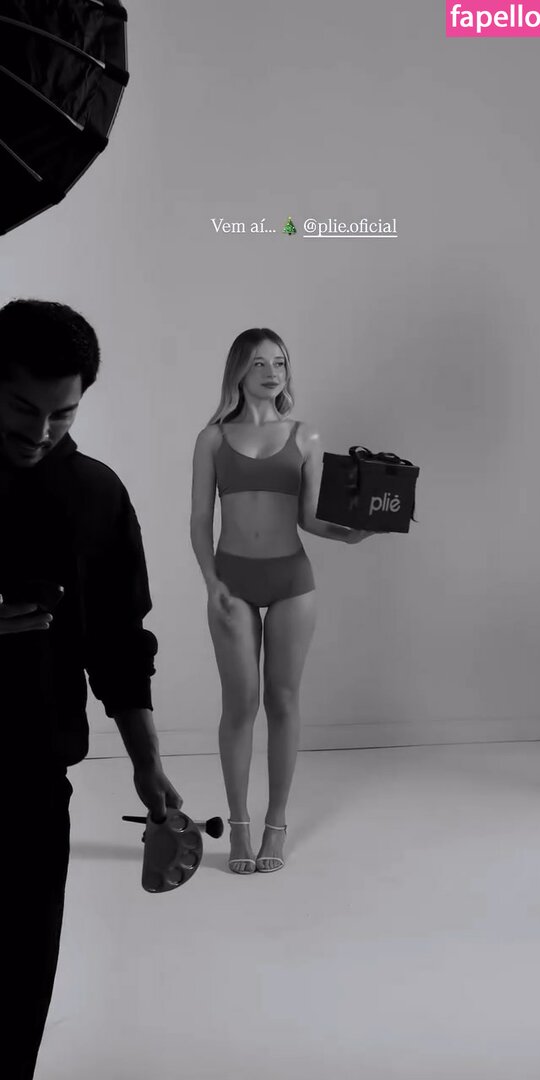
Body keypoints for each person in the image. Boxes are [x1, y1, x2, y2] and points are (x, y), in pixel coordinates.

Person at [0, 299, 183, 1080]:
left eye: (63, 414)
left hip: (34, 784)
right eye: (22, 408)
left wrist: (148, 764)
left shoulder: (97, 497)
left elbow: (119, 644)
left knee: (16, 991)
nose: (40, 432)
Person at [190, 329, 375, 875]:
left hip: (292, 580)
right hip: (232, 580)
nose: (273, 373)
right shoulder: (212, 439)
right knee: (240, 703)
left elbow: (311, 518)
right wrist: (212, 583)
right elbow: (200, 520)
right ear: (238, 371)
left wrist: (350, 535)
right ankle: (238, 826)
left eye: (281, 363)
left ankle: (276, 821)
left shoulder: (304, 434)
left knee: (284, 699)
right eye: (260, 363)